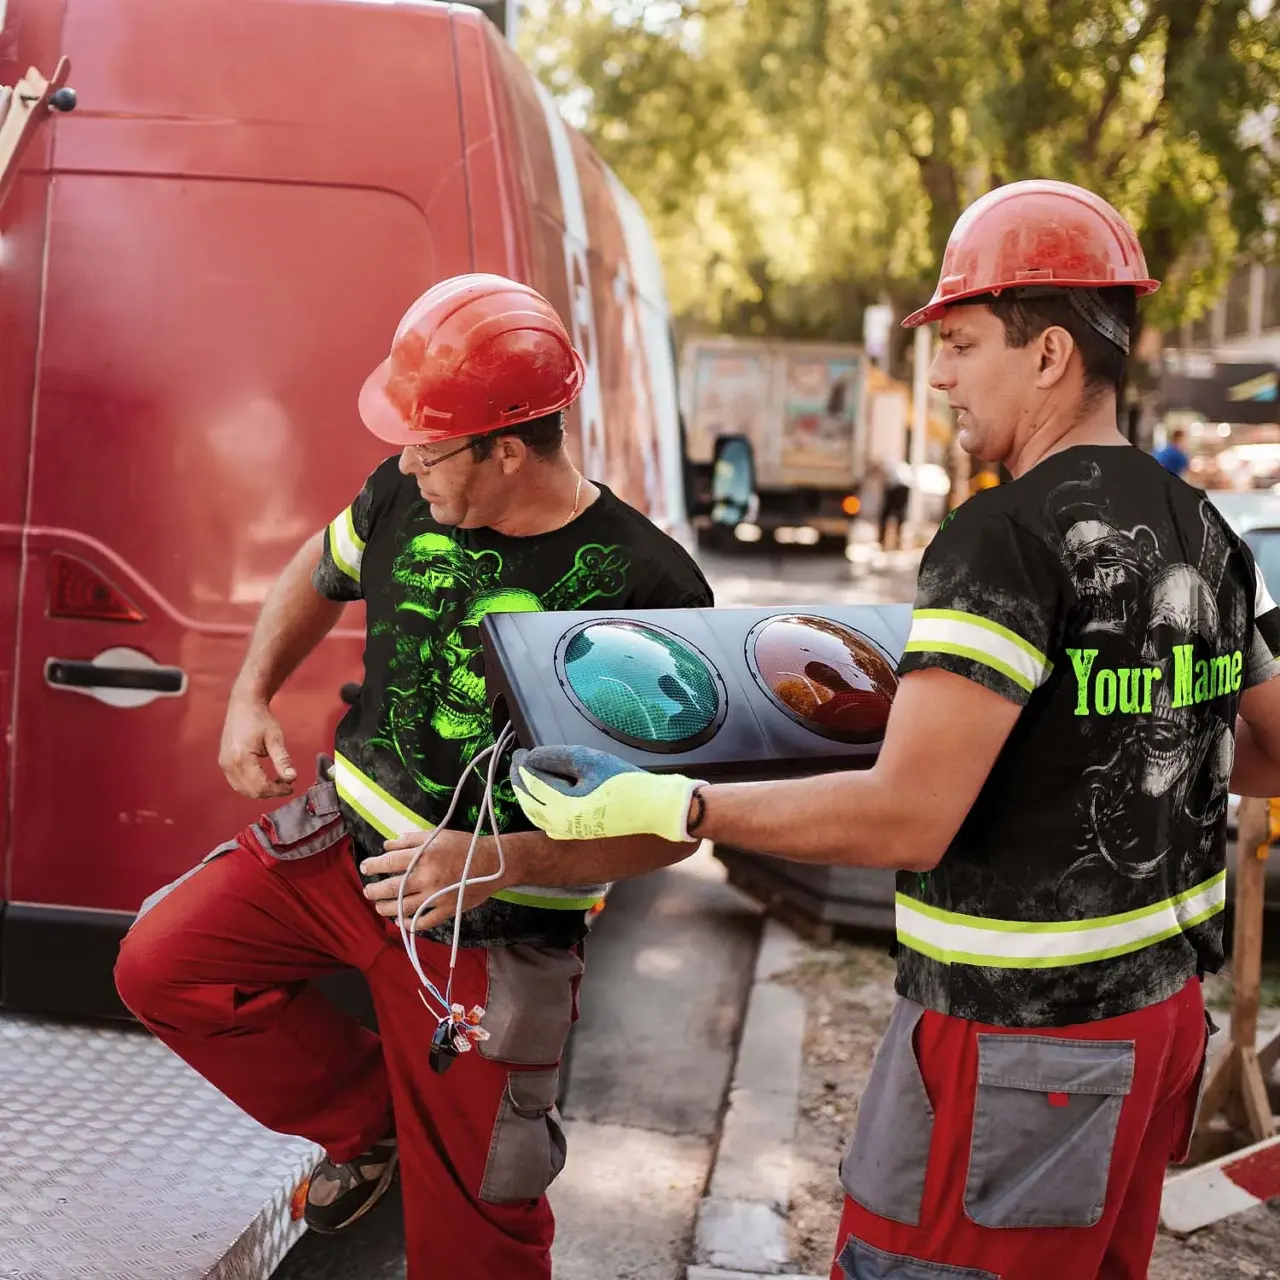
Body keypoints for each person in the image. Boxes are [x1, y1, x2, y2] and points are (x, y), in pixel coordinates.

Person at [388, 184, 1280, 1280]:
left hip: (1015, 1041)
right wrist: (1107, 756)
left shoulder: (1001, 538)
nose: (939, 376)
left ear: (1049, 353)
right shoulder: (1204, 527)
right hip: (1160, 1022)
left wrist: (673, 802)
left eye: (960, 344)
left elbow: (905, 817)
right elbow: (1268, 747)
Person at [113, 273, 713, 1279]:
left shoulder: (652, 588)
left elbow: (676, 825)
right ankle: (380, 1120)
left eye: (430, 447)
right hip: (336, 850)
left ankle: (439, 1139)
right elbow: (321, 565)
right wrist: (250, 692)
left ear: (507, 449)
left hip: (496, 920)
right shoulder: (402, 492)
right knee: (162, 965)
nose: (404, 463)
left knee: (477, 1234)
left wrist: (497, 859)